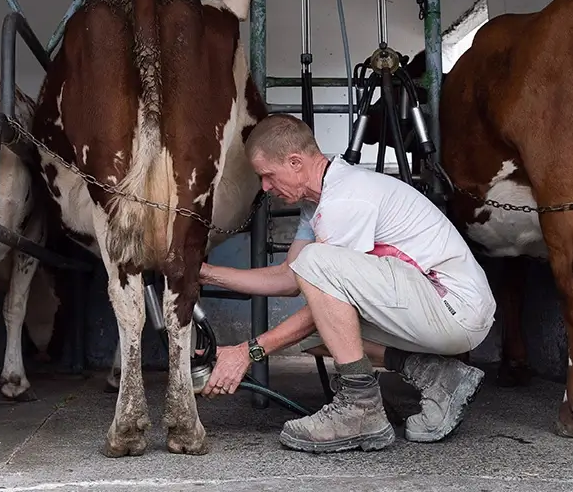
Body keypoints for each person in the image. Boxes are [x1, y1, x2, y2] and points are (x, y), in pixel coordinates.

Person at [199, 113, 497, 453]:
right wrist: (206, 273)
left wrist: (247, 352)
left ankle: (360, 409)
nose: (265, 188)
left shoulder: (345, 198)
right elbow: (289, 278)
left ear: (295, 162)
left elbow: (320, 278)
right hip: (431, 305)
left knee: (314, 273)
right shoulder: (317, 206)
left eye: (268, 176)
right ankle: (437, 376)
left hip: (453, 307)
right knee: (313, 333)